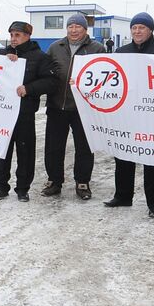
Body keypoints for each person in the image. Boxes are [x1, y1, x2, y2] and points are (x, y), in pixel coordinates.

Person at [103, 13, 154, 217]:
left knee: (152, 159)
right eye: (134, 27)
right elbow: (111, 78)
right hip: (127, 113)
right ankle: (123, 196)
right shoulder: (121, 52)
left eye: (142, 28)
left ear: (151, 30)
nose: (137, 31)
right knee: (124, 155)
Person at [42, 13, 105, 200]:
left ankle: (82, 182)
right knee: (54, 147)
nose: (74, 30)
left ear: (86, 29)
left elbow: (105, 77)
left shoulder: (97, 48)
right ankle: (54, 181)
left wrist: (85, 83)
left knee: (84, 147)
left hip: (84, 108)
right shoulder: (55, 47)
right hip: (57, 106)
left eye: (78, 26)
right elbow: (46, 71)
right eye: (70, 26)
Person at [0, 20, 54, 202]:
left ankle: (22, 188)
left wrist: (29, 88)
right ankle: (1, 187)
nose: (13, 38)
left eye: (17, 35)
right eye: (11, 35)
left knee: (25, 152)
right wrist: (6, 60)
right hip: (3, 113)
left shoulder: (39, 57)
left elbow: (50, 82)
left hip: (25, 113)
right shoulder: (3, 54)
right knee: (2, 150)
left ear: (27, 36)